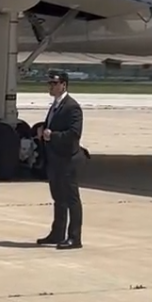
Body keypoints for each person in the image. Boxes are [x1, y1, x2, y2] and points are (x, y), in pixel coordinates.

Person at [36, 71, 85, 250]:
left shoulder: (72, 107)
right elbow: (53, 126)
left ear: (63, 84)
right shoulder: (56, 105)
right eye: (49, 83)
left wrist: (53, 135)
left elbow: (74, 133)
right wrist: (43, 129)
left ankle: (74, 237)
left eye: (54, 83)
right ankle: (57, 232)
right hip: (54, 159)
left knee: (72, 199)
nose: (50, 86)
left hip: (67, 159)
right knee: (58, 198)